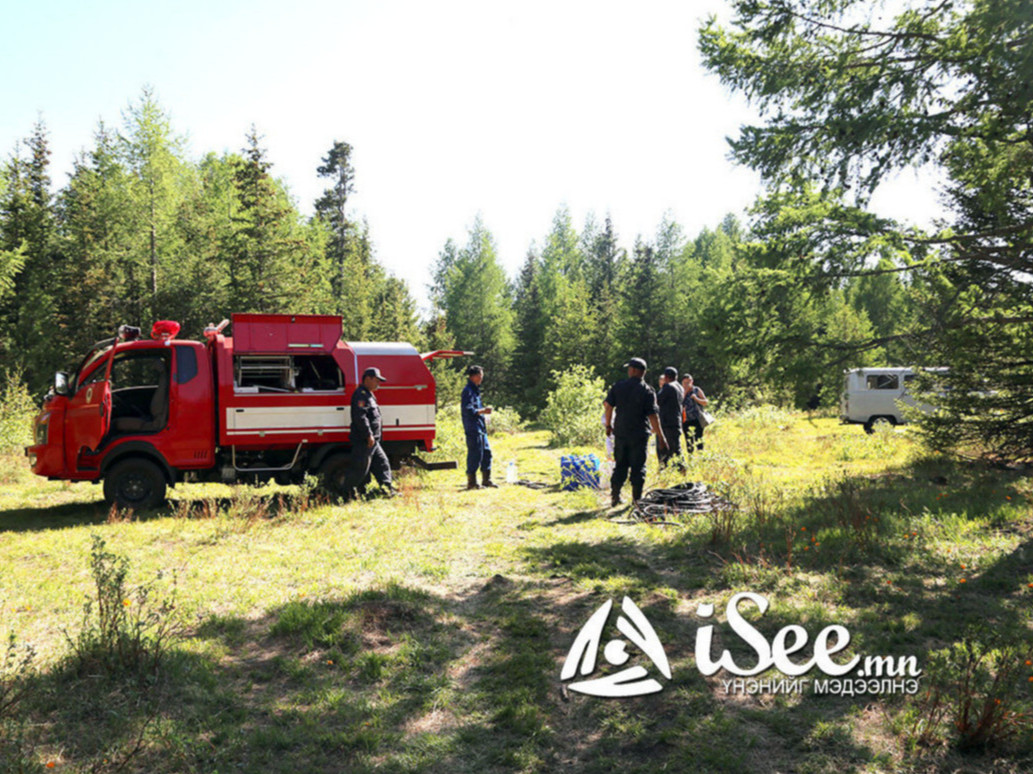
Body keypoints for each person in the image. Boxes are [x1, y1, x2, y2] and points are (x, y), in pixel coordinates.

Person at [604, 357, 668, 507]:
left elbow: (608, 406)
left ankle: (615, 497)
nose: (628, 371)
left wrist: (608, 425)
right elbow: (653, 416)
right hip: (639, 435)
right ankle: (637, 501)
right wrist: (661, 437)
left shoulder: (618, 386)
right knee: (638, 467)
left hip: (620, 432)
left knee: (620, 465)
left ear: (633, 370)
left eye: (629, 368)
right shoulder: (648, 390)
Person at [347, 367, 394, 498]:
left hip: (373, 440)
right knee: (360, 469)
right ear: (368, 379)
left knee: (382, 464)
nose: (378, 384)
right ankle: (347, 494)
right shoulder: (360, 395)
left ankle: (387, 490)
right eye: (377, 380)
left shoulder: (369, 395)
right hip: (365, 440)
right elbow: (360, 417)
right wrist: (368, 434)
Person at [462, 365, 497, 490]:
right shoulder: (468, 391)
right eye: (481, 376)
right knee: (475, 454)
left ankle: (486, 480)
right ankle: (472, 482)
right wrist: (483, 411)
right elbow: (468, 410)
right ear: (474, 376)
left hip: (480, 427)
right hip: (472, 428)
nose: (482, 378)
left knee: (486, 453)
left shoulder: (475, 390)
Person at [656, 366, 684, 467]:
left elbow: (657, 401)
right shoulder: (680, 387)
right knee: (676, 448)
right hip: (676, 421)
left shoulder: (668, 387)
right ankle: (682, 469)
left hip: (666, 422)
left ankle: (664, 470)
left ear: (666, 377)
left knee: (663, 449)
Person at [681, 373, 709, 453]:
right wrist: (685, 392)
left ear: (692, 381)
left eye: (688, 382)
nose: (687, 384)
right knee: (689, 440)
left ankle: (701, 455)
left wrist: (696, 398)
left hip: (697, 419)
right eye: (685, 383)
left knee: (699, 439)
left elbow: (705, 402)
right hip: (685, 420)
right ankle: (691, 457)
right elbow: (678, 403)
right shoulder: (680, 391)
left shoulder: (697, 390)